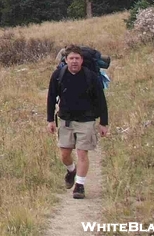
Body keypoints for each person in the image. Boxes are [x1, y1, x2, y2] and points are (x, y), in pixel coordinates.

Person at [46, 44, 109, 199]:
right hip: (65, 120)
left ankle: (79, 186)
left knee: (82, 153)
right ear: (66, 60)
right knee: (64, 154)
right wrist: (50, 120)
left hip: (86, 120)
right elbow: (51, 97)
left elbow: (101, 100)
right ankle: (71, 170)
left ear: (82, 60)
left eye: (77, 58)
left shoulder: (90, 76)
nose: (74, 61)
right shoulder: (58, 75)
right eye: (71, 58)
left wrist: (103, 123)